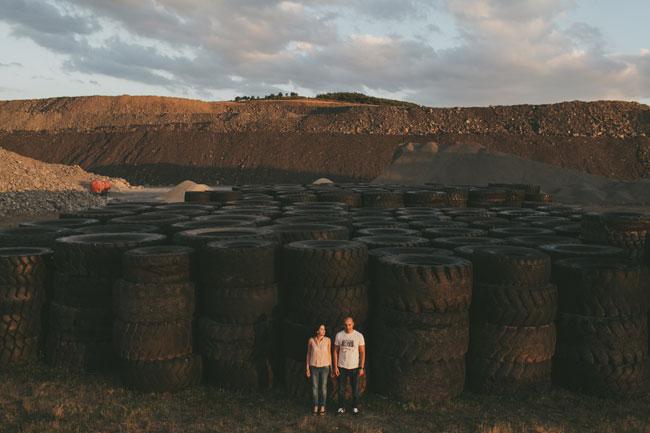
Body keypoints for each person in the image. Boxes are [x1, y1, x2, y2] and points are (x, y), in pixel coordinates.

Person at [333, 317, 366, 416]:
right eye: (346, 325)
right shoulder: (339, 335)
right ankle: (341, 408)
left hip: (355, 367)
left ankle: (355, 407)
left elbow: (362, 352)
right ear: (344, 325)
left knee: (355, 389)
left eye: (349, 324)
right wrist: (335, 367)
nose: (348, 327)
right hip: (342, 366)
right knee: (341, 389)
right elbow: (335, 351)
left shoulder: (358, 336)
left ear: (353, 324)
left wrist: (361, 367)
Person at [306, 323, 331, 416]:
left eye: (324, 329)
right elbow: (308, 354)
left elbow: (329, 354)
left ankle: (323, 406)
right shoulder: (311, 340)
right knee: (314, 387)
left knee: (323, 388)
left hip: (325, 367)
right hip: (314, 367)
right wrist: (307, 368)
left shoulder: (328, 340)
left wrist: (331, 368)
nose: (323, 331)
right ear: (317, 331)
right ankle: (316, 406)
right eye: (321, 329)